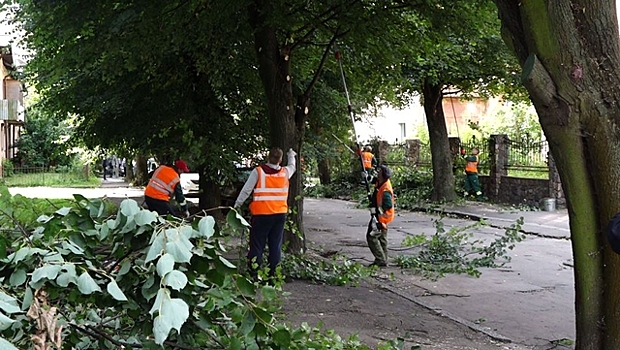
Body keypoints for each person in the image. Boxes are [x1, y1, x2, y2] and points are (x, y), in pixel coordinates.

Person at [234, 147, 297, 278]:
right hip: (279, 215)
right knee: (275, 245)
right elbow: (292, 166)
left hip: (261, 214)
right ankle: (273, 274)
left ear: (268, 157)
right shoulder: (285, 172)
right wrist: (291, 155)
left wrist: (237, 205)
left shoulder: (258, 172)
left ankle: (254, 273)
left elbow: (246, 190)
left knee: (257, 245)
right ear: (280, 160)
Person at [366, 164, 395, 267]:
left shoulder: (386, 190)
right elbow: (375, 181)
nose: (377, 173)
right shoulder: (382, 182)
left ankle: (380, 259)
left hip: (381, 218)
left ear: (382, 175)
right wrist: (367, 177)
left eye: (379, 172)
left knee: (372, 237)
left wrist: (376, 211)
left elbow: (387, 205)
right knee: (382, 239)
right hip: (381, 217)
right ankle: (384, 259)